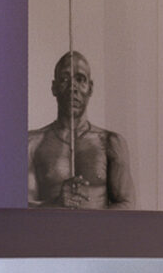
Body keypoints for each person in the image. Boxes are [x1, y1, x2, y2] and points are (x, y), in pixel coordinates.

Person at [28, 50, 135, 207]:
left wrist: (88, 224)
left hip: (99, 231)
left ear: (90, 88)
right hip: (51, 231)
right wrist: (55, 205)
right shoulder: (32, 144)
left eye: (80, 79)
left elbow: (127, 204)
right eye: (65, 79)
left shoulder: (111, 143)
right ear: (54, 87)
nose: (73, 88)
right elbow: (21, 210)